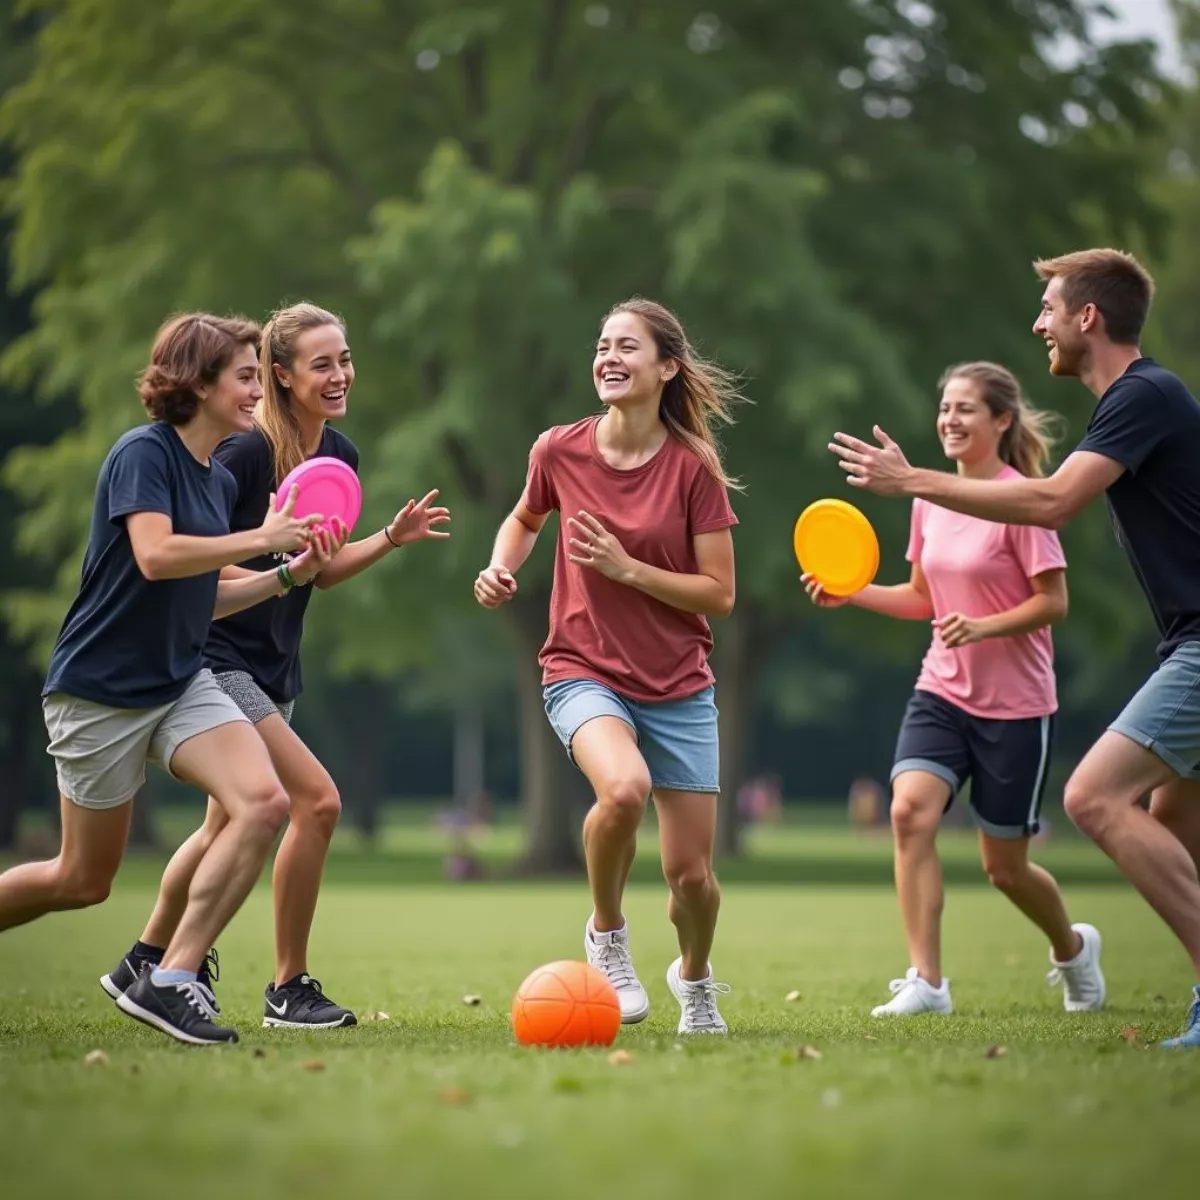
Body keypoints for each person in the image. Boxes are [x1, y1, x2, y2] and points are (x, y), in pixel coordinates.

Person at [830, 248, 1200, 1048]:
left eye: (1050, 310)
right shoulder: (1131, 404)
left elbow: (1052, 501)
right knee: (1173, 820)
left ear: (1087, 318)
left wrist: (913, 479)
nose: (1040, 325)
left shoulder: (1145, 394)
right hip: (1177, 644)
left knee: (1094, 799)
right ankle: (929, 980)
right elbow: (932, 588)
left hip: (1167, 654)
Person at [100, 302, 450, 1030]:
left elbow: (315, 571)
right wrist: (271, 556)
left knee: (222, 826)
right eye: (322, 364)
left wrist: (389, 536)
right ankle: (287, 986)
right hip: (218, 657)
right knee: (317, 804)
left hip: (274, 662)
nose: (340, 374)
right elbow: (201, 573)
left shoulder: (339, 458)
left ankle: (146, 956)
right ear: (281, 376)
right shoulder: (244, 454)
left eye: (344, 359)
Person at [0, 312, 330, 1046]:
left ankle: (172, 978)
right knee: (80, 881)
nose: (256, 392)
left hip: (181, 681)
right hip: (101, 690)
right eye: (245, 378)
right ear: (198, 382)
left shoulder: (213, 477)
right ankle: (163, 975)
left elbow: (204, 590)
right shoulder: (142, 453)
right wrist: (265, 537)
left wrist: (285, 573)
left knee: (264, 802)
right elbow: (155, 555)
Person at [473, 298, 740, 1034]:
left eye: (628, 346)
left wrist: (628, 569)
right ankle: (608, 934)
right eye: (602, 345)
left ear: (666, 367)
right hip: (581, 666)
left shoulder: (693, 470)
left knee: (692, 878)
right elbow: (525, 519)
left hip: (680, 684)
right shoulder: (558, 450)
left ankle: (694, 976)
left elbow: (720, 593)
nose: (609, 357)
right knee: (622, 790)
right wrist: (500, 567)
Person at [808, 361, 1103, 1016]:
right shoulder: (929, 499)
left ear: (1001, 421)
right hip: (942, 690)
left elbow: (1052, 603)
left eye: (966, 408)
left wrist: (987, 624)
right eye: (945, 408)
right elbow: (922, 598)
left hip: (1018, 708)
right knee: (908, 812)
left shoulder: (1021, 499)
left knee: (1005, 868)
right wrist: (851, 592)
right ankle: (927, 982)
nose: (950, 419)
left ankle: (1072, 948)